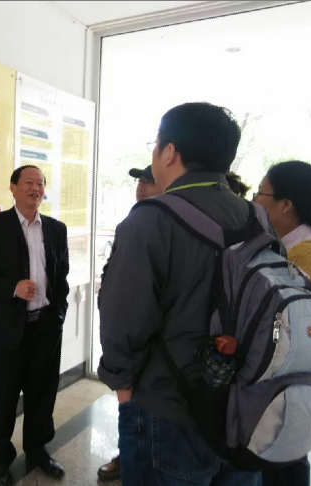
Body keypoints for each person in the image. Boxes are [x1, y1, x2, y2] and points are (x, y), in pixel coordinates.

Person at [97, 102, 262, 486]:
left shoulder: (149, 219)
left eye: (156, 145)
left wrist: (124, 391)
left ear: (169, 151)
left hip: (168, 411)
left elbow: (123, 320)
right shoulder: (257, 218)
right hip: (242, 409)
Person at [0, 165, 70, 485]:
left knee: (42, 394)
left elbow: (61, 278)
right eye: (28, 182)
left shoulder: (56, 229)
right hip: (7, 329)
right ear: (13, 187)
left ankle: (38, 451)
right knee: (2, 397)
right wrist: (13, 288)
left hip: (45, 328)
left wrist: (59, 314)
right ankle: (0, 458)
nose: (35, 188)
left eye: (40, 183)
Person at [97, 163, 164, 484]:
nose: (141, 186)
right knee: (135, 416)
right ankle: (128, 456)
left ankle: (134, 459)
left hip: (151, 349)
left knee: (143, 417)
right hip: (133, 349)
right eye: (139, 181)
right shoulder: (136, 222)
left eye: (149, 181)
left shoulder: (157, 225)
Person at [254, 160, 311, 486]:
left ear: (286, 204)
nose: (254, 200)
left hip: (289, 386)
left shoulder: (302, 257)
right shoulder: (291, 248)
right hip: (291, 390)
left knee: (283, 465)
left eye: (260, 193)